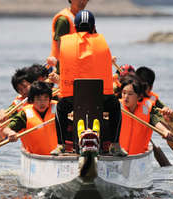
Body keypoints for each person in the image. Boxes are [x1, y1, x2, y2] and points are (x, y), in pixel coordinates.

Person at [51, 10, 127, 156]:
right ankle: (115, 144)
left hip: (73, 98)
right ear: (93, 27)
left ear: (75, 26)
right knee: (116, 106)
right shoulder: (102, 41)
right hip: (102, 98)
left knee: (60, 108)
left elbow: (62, 68)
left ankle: (60, 145)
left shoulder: (66, 41)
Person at [0, 81, 58, 155]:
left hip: (57, 155)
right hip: (36, 156)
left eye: (45, 98)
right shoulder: (25, 113)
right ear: (32, 100)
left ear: (50, 99)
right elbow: (6, 128)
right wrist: (10, 133)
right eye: (38, 99)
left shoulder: (58, 108)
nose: (42, 103)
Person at [119, 75, 173, 155]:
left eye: (130, 94)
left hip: (137, 155)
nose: (126, 97)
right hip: (118, 154)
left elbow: (156, 121)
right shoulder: (117, 107)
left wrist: (165, 131)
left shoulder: (146, 108)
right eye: (124, 93)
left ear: (139, 97)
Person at [47, 0, 89, 68]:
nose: (82, 1)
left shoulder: (87, 20)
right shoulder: (63, 20)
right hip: (63, 69)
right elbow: (61, 49)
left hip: (82, 67)